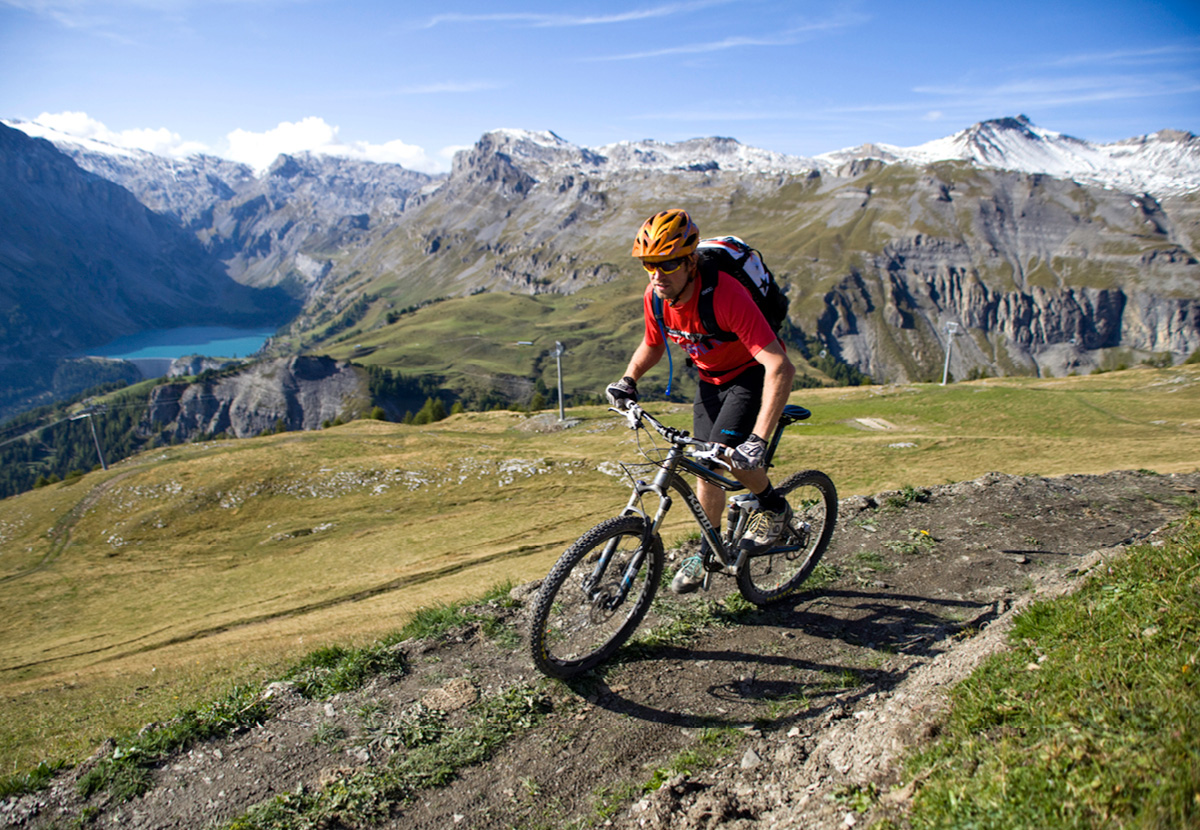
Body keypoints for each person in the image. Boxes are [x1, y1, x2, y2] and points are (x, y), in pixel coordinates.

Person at [606, 209, 797, 594]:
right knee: (704, 468)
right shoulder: (656, 296)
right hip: (709, 380)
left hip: (749, 376)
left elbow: (779, 365)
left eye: (668, 263)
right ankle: (708, 552)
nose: (658, 275)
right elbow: (652, 344)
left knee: (729, 456)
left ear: (691, 260)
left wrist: (757, 441)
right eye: (649, 265)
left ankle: (775, 508)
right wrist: (628, 381)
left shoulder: (726, 295)